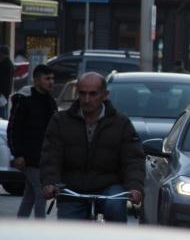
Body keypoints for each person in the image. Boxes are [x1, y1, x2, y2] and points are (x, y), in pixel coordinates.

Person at [40, 72, 145, 221]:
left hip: (109, 186)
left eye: (93, 94)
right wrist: (49, 183)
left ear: (105, 95)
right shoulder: (60, 121)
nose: (87, 99)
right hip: (72, 187)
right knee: (66, 231)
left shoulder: (121, 123)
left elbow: (133, 159)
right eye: (82, 93)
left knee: (115, 207)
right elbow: (50, 156)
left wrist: (135, 187)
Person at [8, 64, 57, 218]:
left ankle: (19, 228)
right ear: (36, 80)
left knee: (29, 195)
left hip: (43, 157)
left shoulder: (50, 101)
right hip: (29, 158)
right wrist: (17, 154)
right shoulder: (25, 100)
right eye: (47, 78)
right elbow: (13, 129)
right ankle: (39, 232)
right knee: (41, 193)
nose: (51, 82)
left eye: (52, 78)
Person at [0, 45, 15, 119]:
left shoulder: (4, 65)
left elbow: (3, 81)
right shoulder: (9, 64)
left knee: (2, 113)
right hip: (5, 93)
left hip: (2, 93)